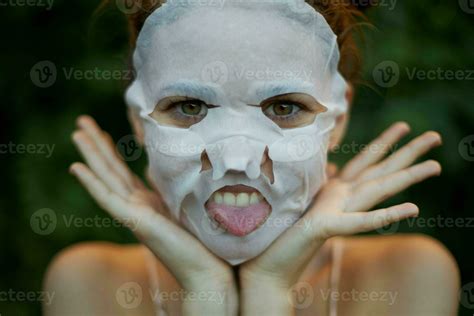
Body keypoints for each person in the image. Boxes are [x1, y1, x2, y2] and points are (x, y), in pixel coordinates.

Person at [43, 1, 460, 315]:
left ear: (339, 118)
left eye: (283, 108)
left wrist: (270, 287)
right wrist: (205, 292)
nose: (237, 161)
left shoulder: (408, 278)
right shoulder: (87, 286)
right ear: (139, 121)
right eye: (190, 107)